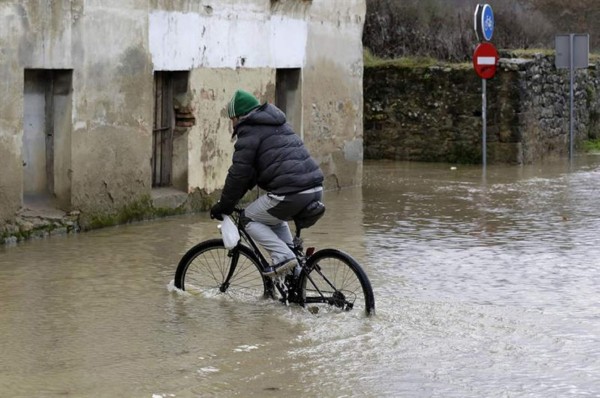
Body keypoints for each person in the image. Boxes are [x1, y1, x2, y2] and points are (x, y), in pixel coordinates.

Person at [210, 89, 324, 276]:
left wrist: (224, 206)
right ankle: (295, 275)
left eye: (232, 119)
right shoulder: (278, 125)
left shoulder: (249, 132)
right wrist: (232, 200)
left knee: (247, 218)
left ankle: (284, 257)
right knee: (273, 219)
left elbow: (239, 174)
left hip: (291, 192)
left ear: (240, 116)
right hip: (315, 189)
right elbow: (251, 175)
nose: (232, 124)